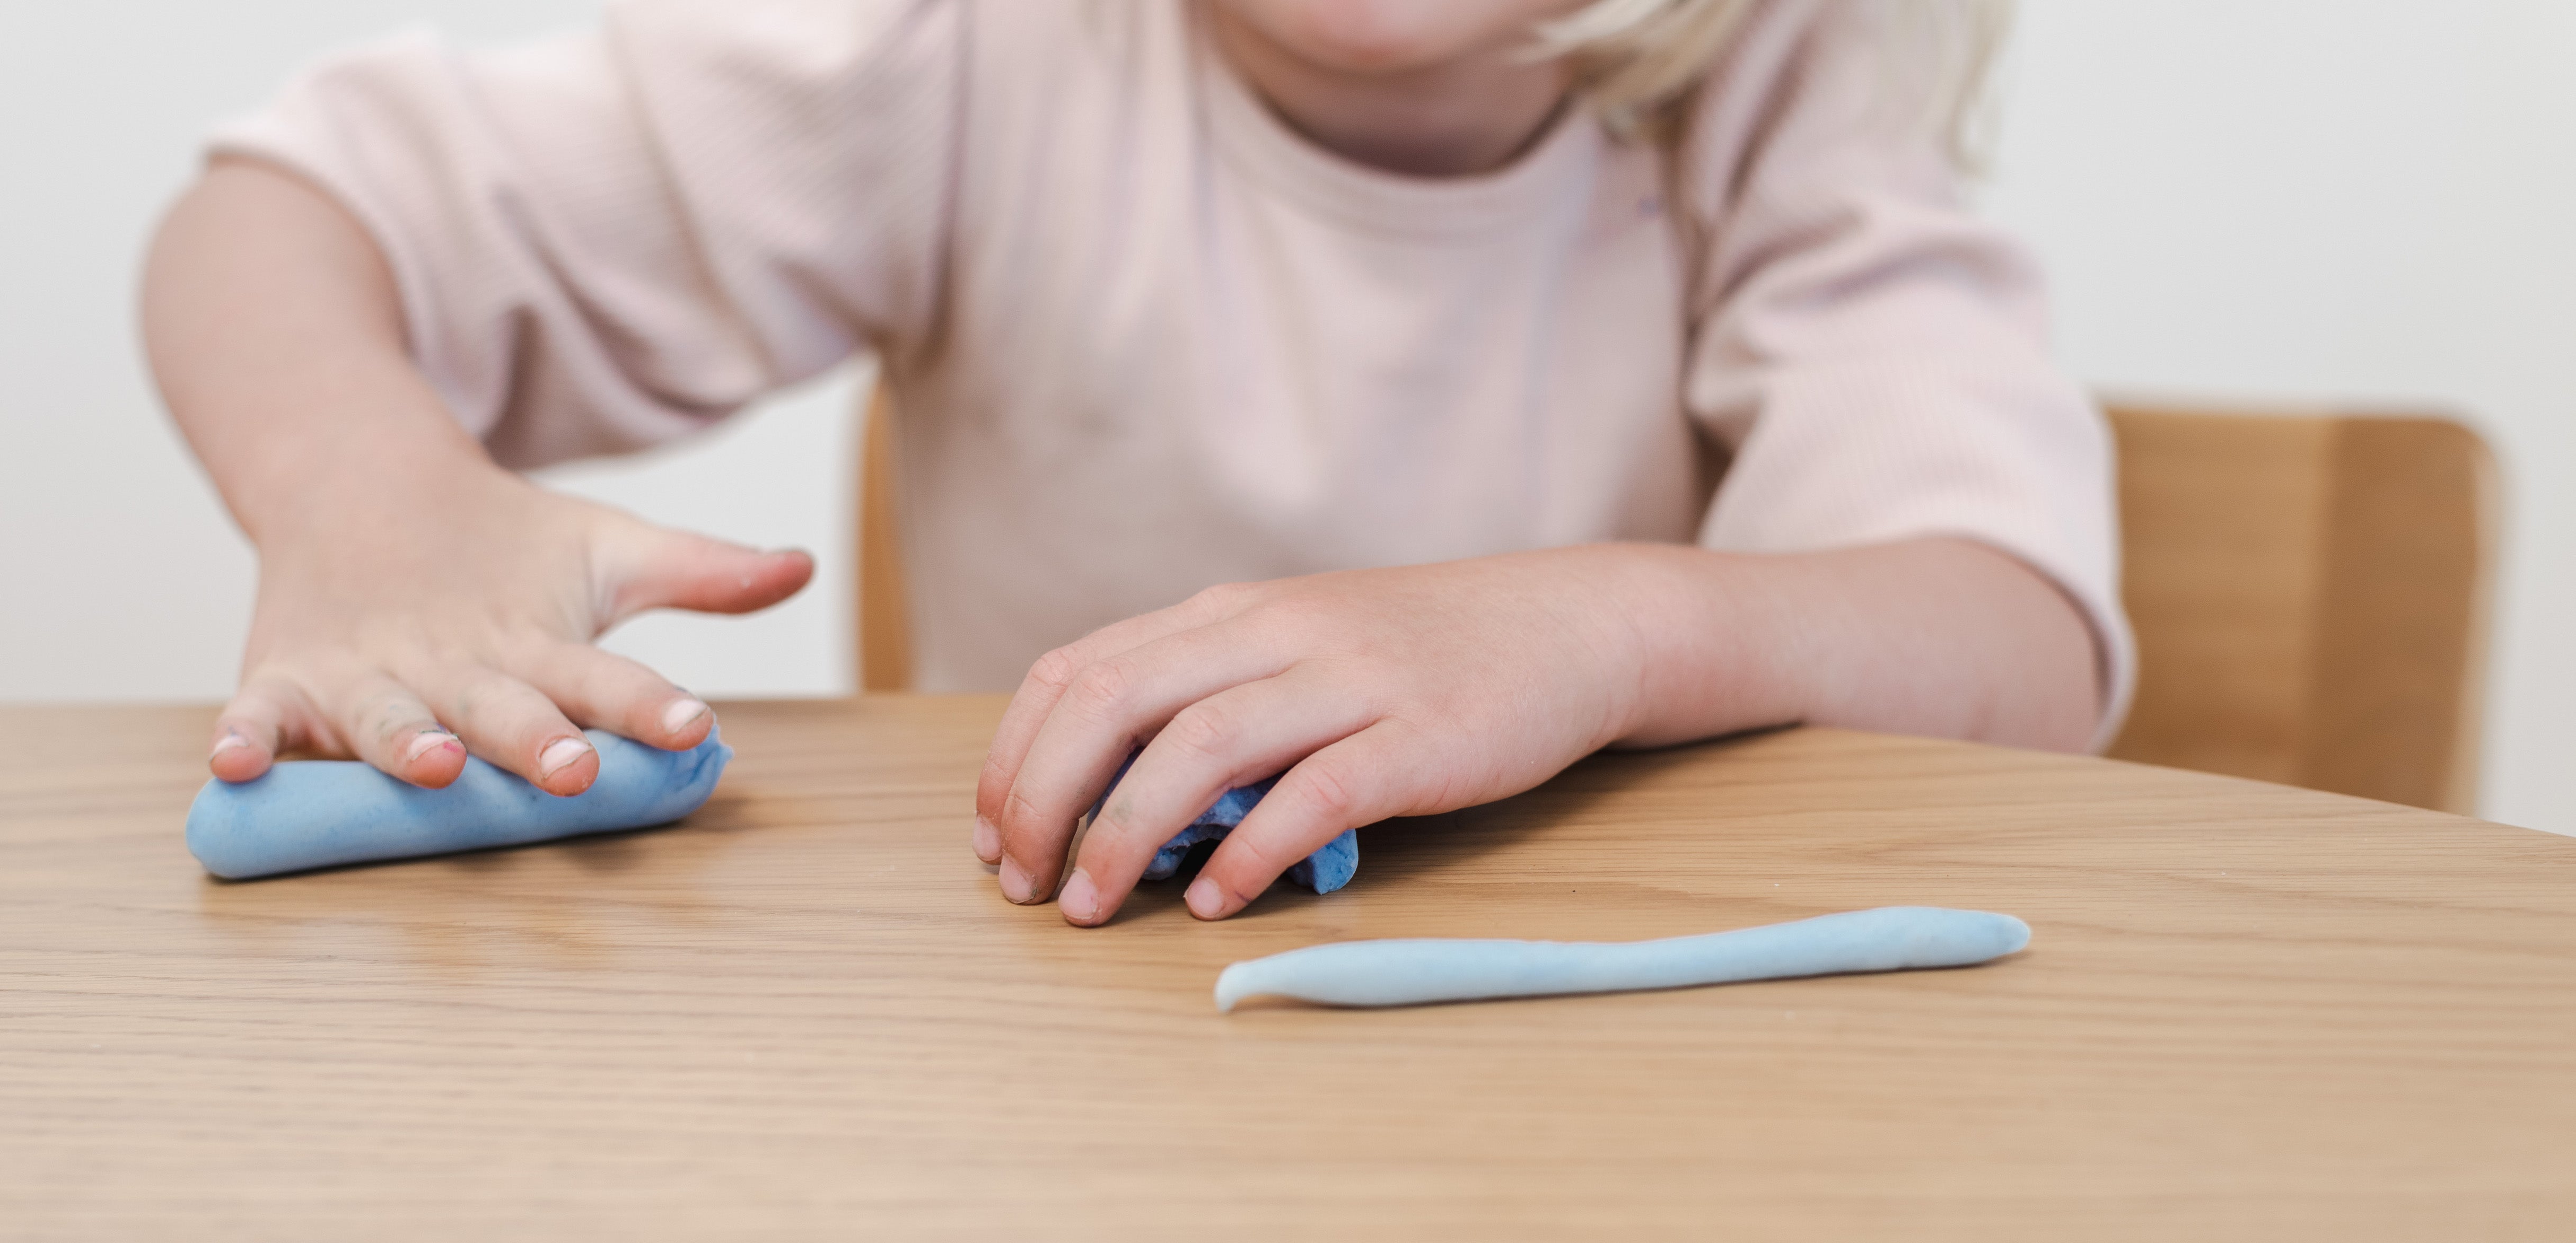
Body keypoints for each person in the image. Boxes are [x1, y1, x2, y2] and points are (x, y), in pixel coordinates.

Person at [144, 0, 2124, 928]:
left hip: (1615, 1111)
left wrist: (1598, 629)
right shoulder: (976, 48)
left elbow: (2016, 634)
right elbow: (287, 213)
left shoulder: (1778, 68)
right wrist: (369, 505)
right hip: (1067, 1093)